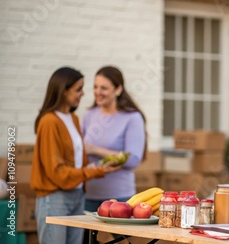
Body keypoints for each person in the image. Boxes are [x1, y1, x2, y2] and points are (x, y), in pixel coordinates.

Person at [31, 67, 121, 244]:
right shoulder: (49, 121)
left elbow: (77, 162)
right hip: (55, 197)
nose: (83, 93)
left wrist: (98, 166)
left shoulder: (73, 119)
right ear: (63, 91)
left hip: (77, 195)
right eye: (78, 89)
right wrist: (96, 171)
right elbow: (57, 173)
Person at [82, 65, 147, 212]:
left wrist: (95, 149)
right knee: (88, 236)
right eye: (95, 87)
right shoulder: (89, 115)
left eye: (104, 88)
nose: (98, 92)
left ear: (118, 90)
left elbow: (132, 159)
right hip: (89, 196)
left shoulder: (132, 118)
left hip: (120, 198)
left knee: (120, 237)